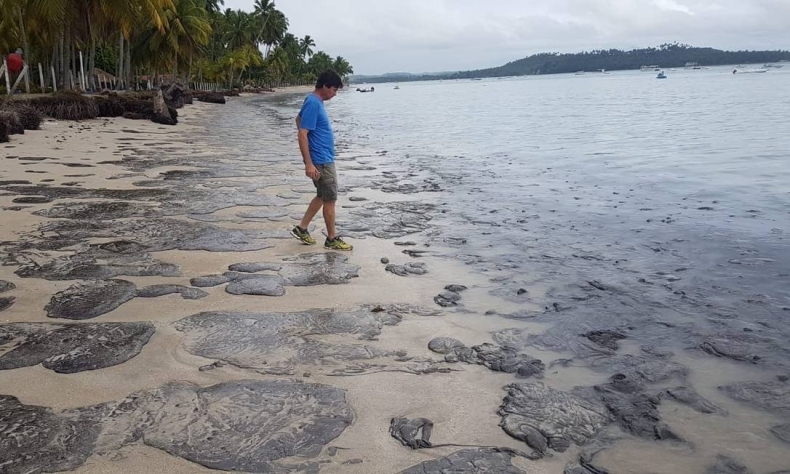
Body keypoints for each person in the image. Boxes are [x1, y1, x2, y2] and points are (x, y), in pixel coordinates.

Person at [290, 70, 353, 251]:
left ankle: (302, 228)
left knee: (322, 195)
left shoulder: (313, 101)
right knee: (330, 199)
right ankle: (332, 239)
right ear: (325, 86)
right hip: (322, 161)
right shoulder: (313, 103)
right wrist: (309, 162)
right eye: (334, 89)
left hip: (321, 158)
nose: (334, 94)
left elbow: (298, 119)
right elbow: (302, 133)